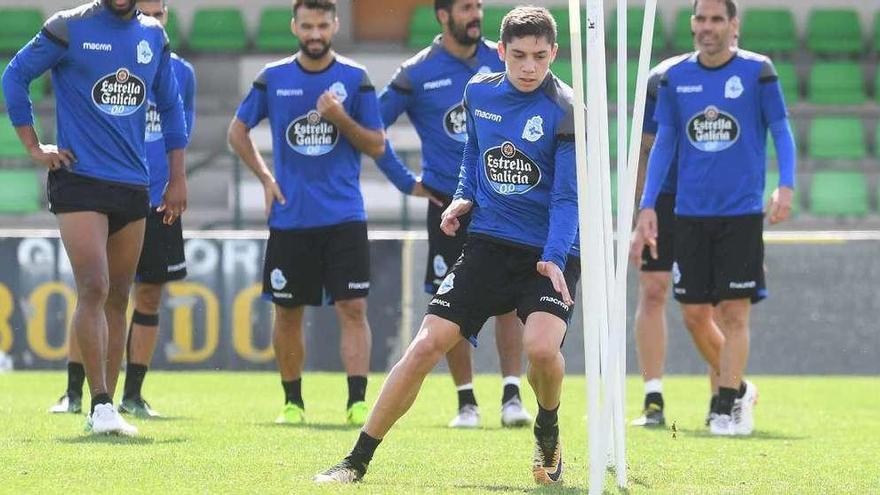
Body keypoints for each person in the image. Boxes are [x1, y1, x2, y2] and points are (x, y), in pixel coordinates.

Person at [315, 6, 579, 484]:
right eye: (518, 55)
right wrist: (463, 198)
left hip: (547, 252)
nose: (528, 67)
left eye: (540, 56)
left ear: (553, 53)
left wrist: (555, 259)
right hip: (489, 243)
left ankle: (547, 428)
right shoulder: (479, 93)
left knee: (541, 350)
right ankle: (355, 462)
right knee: (425, 344)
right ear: (501, 52)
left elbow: (565, 198)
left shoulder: (565, 108)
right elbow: (472, 155)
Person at [3, 0, 188, 435]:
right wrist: (34, 147)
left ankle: (106, 406)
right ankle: (101, 403)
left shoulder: (153, 35)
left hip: (132, 184)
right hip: (79, 179)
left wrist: (177, 176)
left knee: (119, 295)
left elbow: (172, 105)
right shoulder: (67, 27)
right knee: (93, 285)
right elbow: (15, 75)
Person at [635, 0, 795, 436]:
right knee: (692, 313)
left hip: (741, 213)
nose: (707, 27)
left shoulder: (757, 71)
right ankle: (740, 388)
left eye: (716, 19)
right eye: (700, 19)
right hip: (687, 213)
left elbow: (780, 128)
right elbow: (663, 141)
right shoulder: (674, 77)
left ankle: (725, 404)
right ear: (692, 24)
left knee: (734, 312)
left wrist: (786, 185)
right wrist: (647, 206)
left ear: (733, 25)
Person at [227, 0, 387, 427]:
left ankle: (356, 402)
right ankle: (292, 403)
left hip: (343, 216)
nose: (315, 34)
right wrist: (265, 177)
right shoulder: (273, 78)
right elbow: (237, 131)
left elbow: (377, 144)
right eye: (307, 26)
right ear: (294, 27)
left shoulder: (355, 79)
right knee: (287, 312)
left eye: (322, 26)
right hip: (291, 217)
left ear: (335, 25)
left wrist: (339, 118)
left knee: (352, 308)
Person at [375, 0, 531, 429]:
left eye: (478, 6)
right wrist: (406, 181)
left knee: (507, 302)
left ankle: (512, 394)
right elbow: (372, 127)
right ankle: (467, 401)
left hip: (505, 200)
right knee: (450, 305)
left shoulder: (500, 57)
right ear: (443, 16)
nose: (475, 14)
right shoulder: (417, 71)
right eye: (466, 7)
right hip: (448, 205)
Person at [628, 55, 724, 428]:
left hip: (711, 200)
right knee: (652, 290)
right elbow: (645, 149)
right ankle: (653, 399)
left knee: (708, 301)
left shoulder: (743, 77)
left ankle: (724, 397)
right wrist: (642, 210)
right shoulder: (662, 79)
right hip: (665, 198)